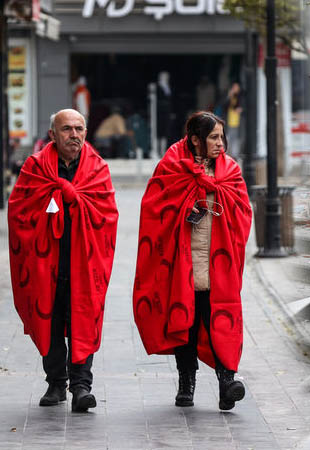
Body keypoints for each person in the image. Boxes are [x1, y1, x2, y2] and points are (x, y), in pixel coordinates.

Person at [132, 111, 252, 410]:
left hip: (218, 267)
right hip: (180, 267)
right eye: (213, 137)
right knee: (185, 324)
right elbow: (153, 210)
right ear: (195, 140)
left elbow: (243, 213)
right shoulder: (171, 169)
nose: (220, 143)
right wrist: (179, 215)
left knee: (220, 323)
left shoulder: (230, 172)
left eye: (222, 137)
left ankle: (227, 382)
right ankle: (186, 383)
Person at [7, 109, 119, 412]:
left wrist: (75, 199)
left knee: (84, 321)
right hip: (46, 265)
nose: (74, 135)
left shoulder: (97, 168)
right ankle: (56, 382)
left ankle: (81, 386)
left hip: (84, 262)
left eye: (79, 128)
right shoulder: (35, 168)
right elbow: (18, 211)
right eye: (67, 129)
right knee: (50, 322)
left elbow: (108, 215)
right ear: (53, 135)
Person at [217, 83, 243, 161]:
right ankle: (226, 155)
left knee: (236, 139)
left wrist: (240, 109)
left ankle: (235, 156)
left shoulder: (240, 97)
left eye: (237, 87)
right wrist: (229, 95)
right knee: (227, 138)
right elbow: (222, 104)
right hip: (228, 121)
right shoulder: (228, 95)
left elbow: (243, 107)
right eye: (234, 87)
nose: (235, 89)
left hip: (237, 122)